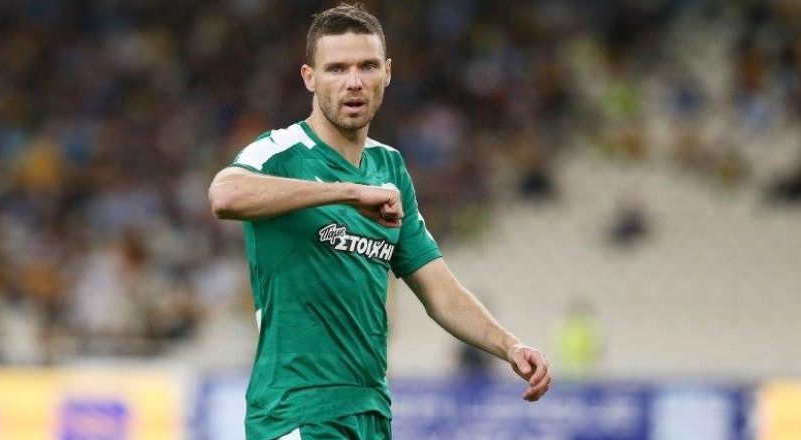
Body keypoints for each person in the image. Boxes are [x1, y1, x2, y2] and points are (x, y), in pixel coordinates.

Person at [208, 4, 551, 439]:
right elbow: (224, 194)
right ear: (310, 78)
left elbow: (440, 291)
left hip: (370, 411)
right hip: (296, 412)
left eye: (367, 66)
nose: (353, 82)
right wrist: (348, 192)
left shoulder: (389, 167)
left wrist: (510, 346)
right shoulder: (280, 151)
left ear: (387, 72)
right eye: (336, 68)